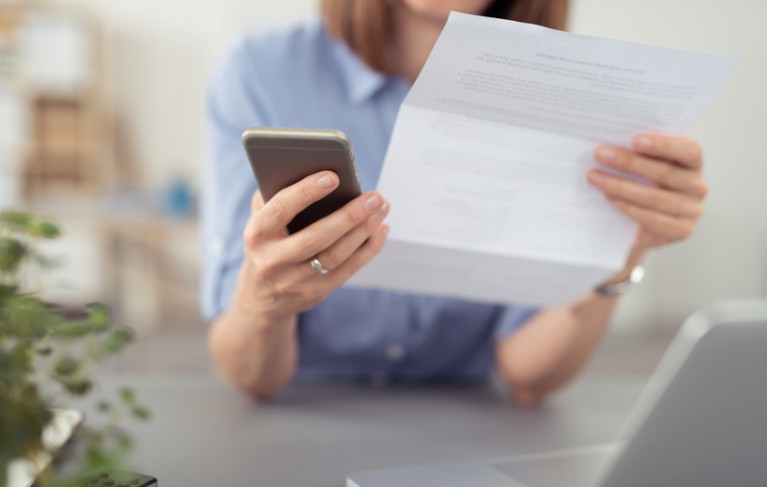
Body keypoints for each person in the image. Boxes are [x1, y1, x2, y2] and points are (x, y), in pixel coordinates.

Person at [201, 0, 707, 405]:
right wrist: (261, 304)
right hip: (298, 416)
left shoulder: (564, 95)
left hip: (472, 427)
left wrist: (621, 249)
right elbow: (248, 375)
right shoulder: (259, 73)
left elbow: (528, 373)